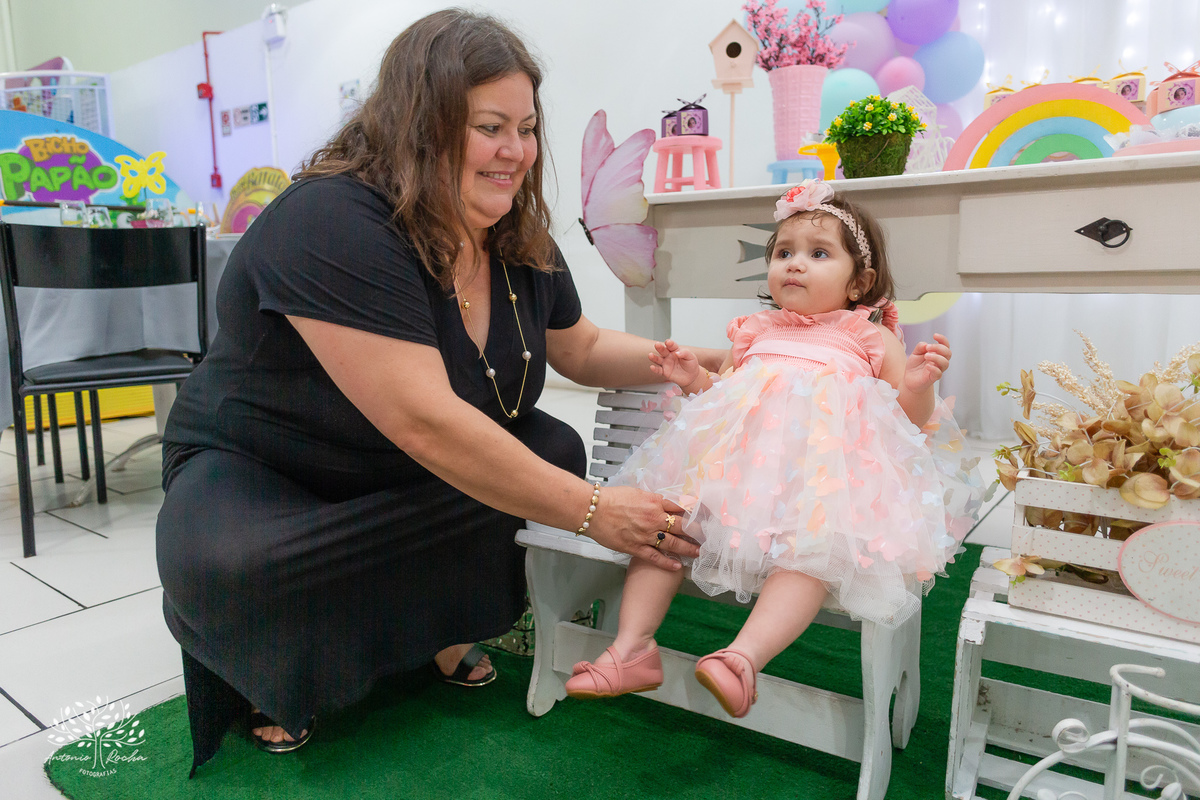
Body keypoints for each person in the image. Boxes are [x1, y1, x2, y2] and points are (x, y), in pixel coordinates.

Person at [156, 8, 717, 771]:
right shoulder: (331, 220)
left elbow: (580, 348)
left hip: (399, 469)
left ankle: (441, 629)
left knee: (550, 445)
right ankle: (279, 671)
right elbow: (424, 421)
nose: (515, 152)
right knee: (237, 562)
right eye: (492, 128)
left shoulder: (515, 232)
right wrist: (591, 512)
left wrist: (712, 358)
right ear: (422, 125)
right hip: (272, 474)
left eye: (525, 128)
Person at [563, 180, 985, 717]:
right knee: (664, 529)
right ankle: (631, 649)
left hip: (819, 492)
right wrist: (695, 380)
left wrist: (920, 383)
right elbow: (725, 399)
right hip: (730, 482)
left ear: (861, 282)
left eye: (818, 253)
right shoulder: (753, 331)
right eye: (783, 253)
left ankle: (742, 658)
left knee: (813, 557)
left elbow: (908, 422)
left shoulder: (869, 338)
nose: (795, 264)